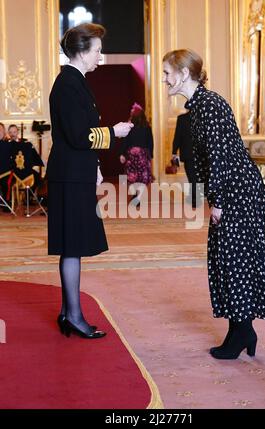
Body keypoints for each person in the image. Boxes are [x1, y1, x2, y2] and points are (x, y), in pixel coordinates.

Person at [162, 49, 265, 359]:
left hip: (238, 195)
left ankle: (242, 332)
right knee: (229, 261)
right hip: (232, 192)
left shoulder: (210, 105)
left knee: (235, 261)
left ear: (182, 74)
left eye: (167, 73)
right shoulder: (199, 106)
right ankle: (239, 330)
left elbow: (219, 157)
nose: (165, 79)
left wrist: (218, 201)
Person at [47, 23, 133, 339]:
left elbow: (78, 137)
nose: (100, 55)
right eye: (97, 50)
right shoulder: (68, 83)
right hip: (69, 178)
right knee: (73, 247)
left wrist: (95, 164)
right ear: (82, 51)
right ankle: (73, 316)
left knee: (74, 246)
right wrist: (113, 133)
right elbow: (78, 135)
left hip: (75, 174)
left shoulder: (75, 81)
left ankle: (69, 312)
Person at [119, 103, 153, 206]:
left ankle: (135, 196)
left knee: (132, 177)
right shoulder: (147, 127)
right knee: (143, 178)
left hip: (132, 156)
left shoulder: (129, 126)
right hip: (143, 156)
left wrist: (122, 154)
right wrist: (150, 155)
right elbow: (150, 142)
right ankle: (138, 197)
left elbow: (125, 141)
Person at [171, 112, 198, 207]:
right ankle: (194, 197)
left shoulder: (182, 118)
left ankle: (195, 199)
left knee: (191, 176)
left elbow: (177, 136)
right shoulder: (202, 117)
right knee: (197, 176)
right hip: (201, 153)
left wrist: (174, 151)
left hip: (188, 153)